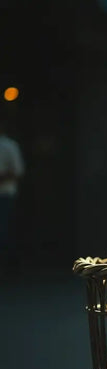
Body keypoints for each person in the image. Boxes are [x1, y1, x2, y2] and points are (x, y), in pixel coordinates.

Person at [0, 111, 25, 272]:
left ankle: (8, 268)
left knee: (4, 232)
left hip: (5, 194)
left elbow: (17, 171)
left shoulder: (9, 145)